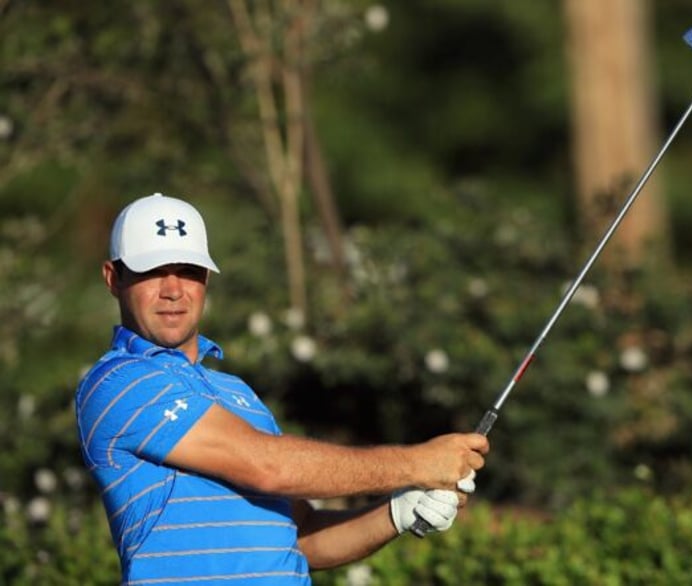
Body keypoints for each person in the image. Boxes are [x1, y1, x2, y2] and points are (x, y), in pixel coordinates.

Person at [75, 192, 489, 585]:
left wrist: (398, 511)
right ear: (113, 278)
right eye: (151, 271)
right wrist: (417, 463)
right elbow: (269, 467)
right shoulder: (118, 383)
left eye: (188, 271)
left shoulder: (238, 394)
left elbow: (303, 536)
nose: (173, 289)